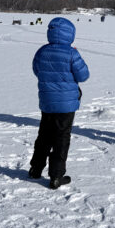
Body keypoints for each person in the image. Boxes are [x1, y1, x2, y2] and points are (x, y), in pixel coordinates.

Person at [29, 17, 90, 189]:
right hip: (66, 104)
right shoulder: (71, 53)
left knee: (44, 136)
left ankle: (35, 169)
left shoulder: (42, 51)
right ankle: (56, 176)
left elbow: (37, 70)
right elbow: (83, 75)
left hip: (47, 101)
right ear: (69, 34)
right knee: (61, 138)